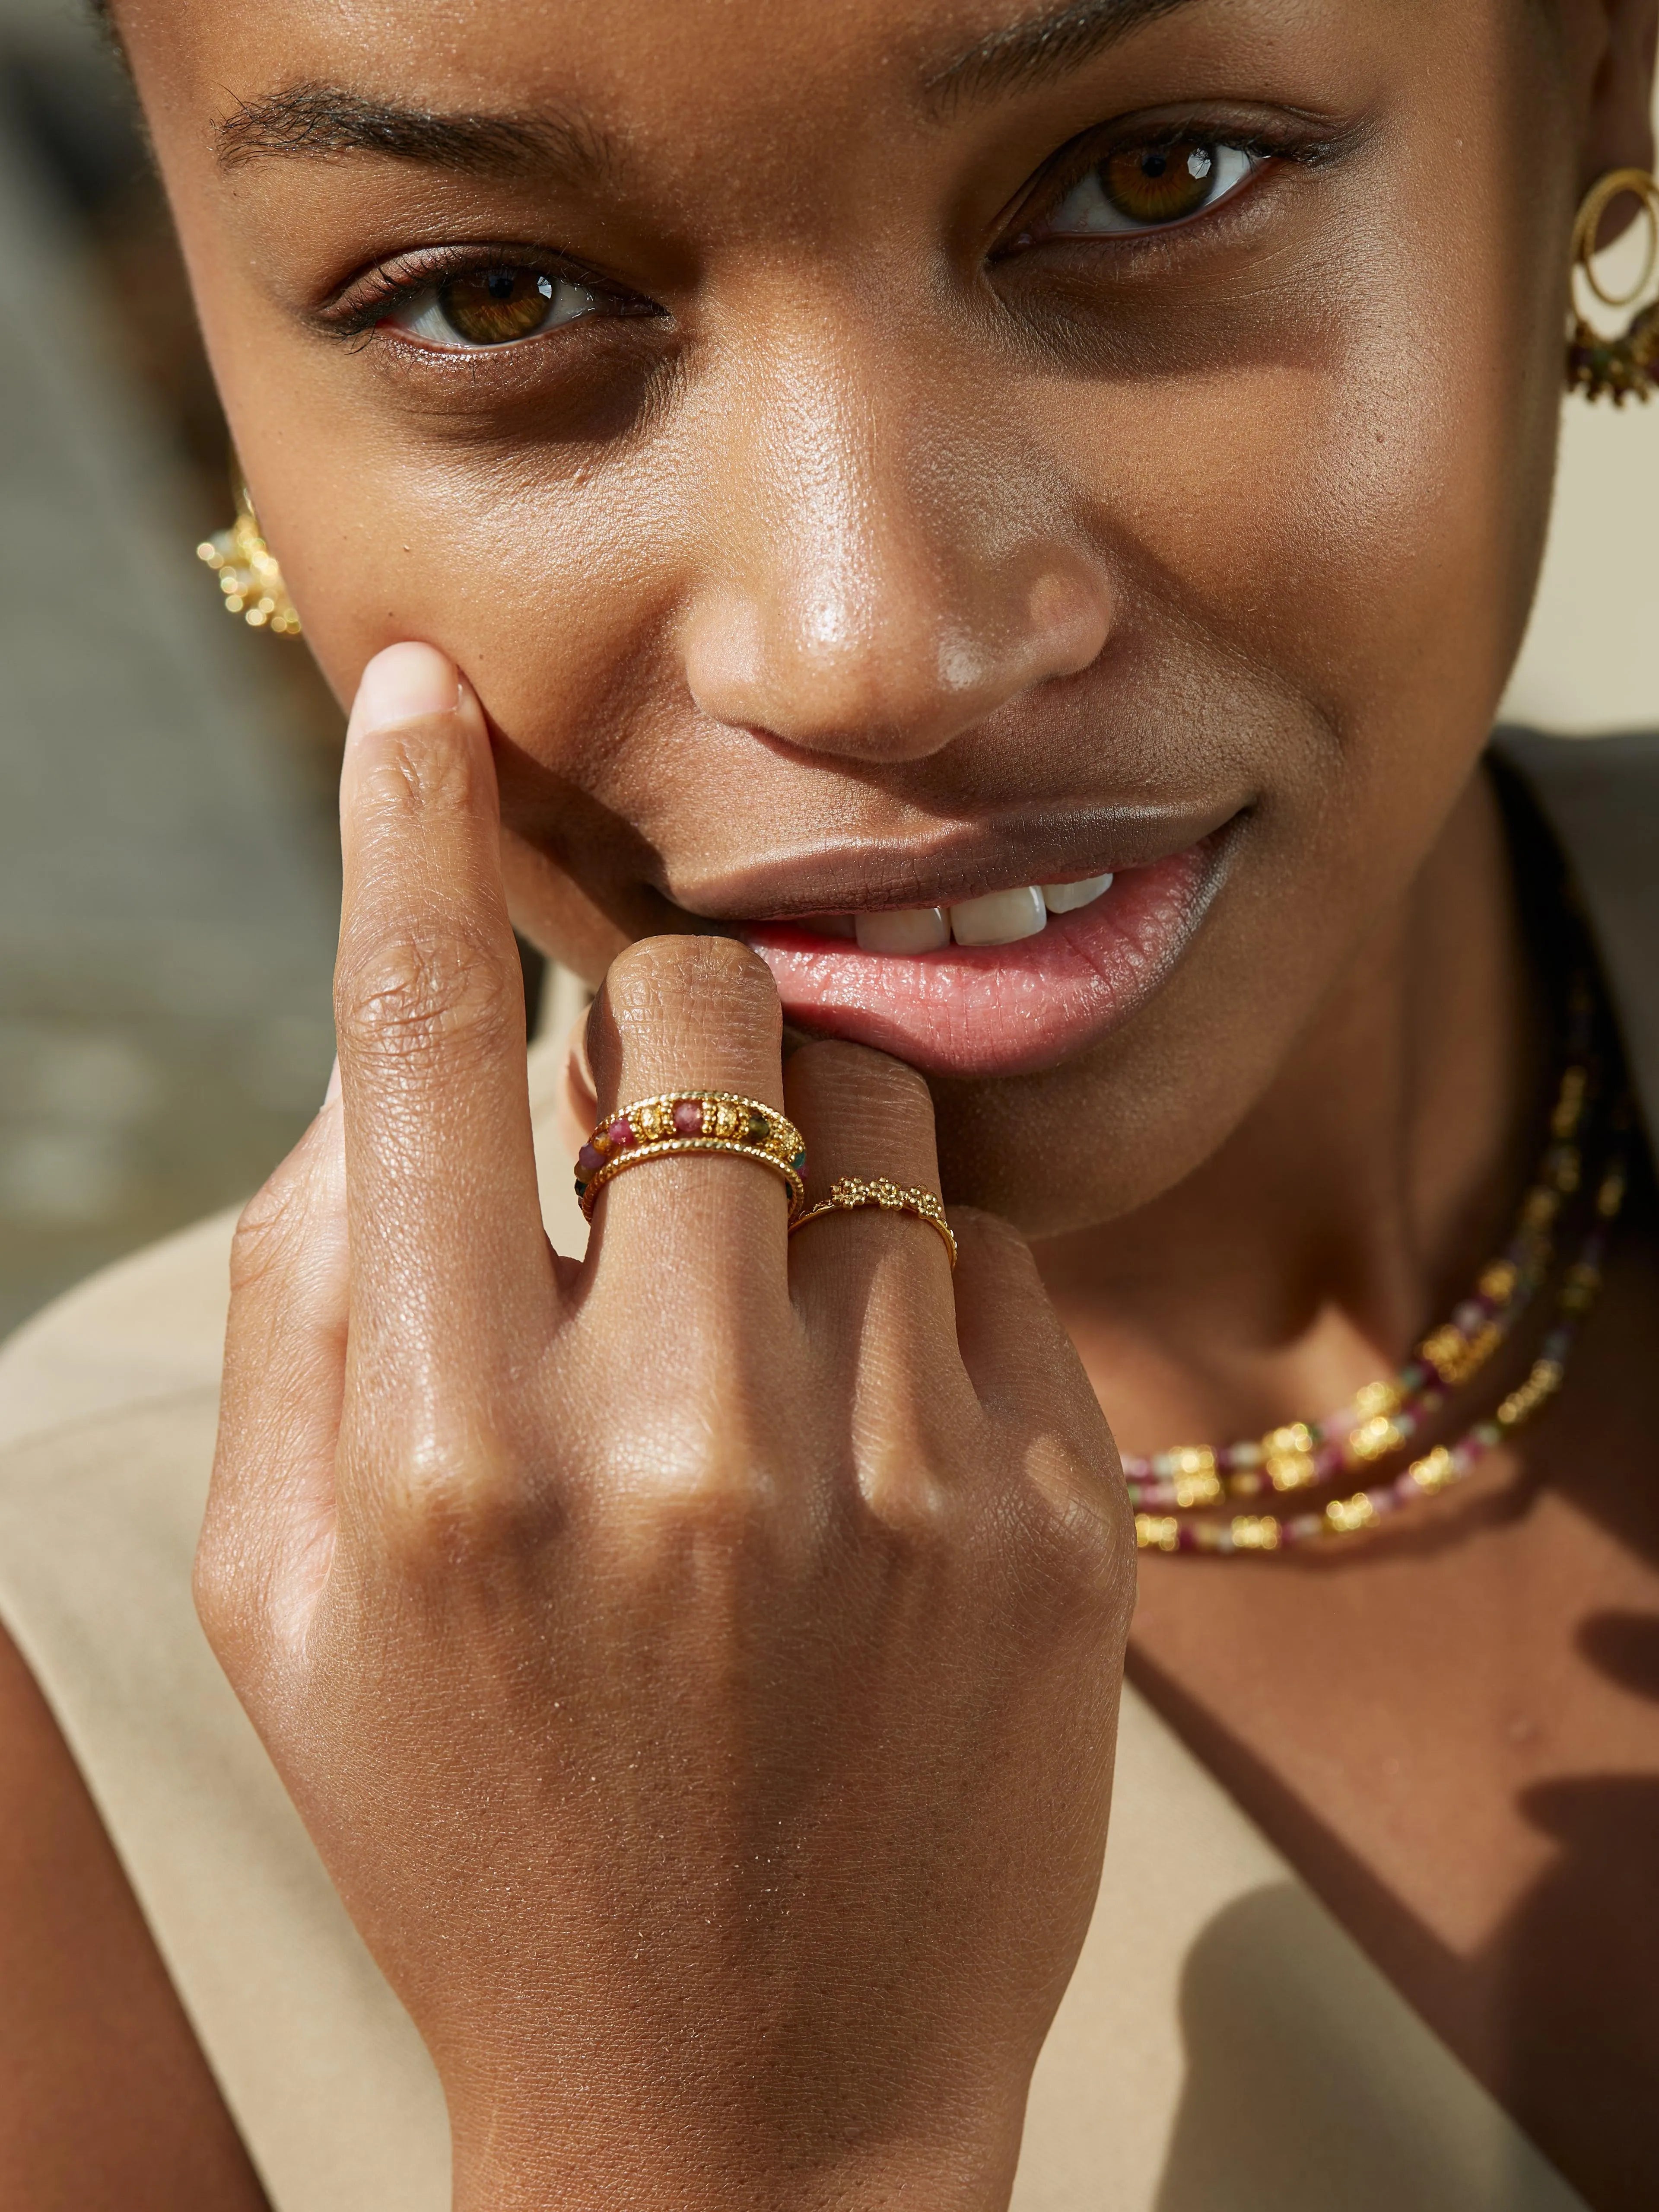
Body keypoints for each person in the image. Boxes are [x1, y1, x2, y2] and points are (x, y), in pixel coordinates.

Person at [0, 0, 1654, 2204]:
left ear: (1605, 91)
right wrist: (707, 2138)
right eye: (490, 297)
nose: (868, 637)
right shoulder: (75, 1764)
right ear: (209, 371)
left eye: (1154, 179)